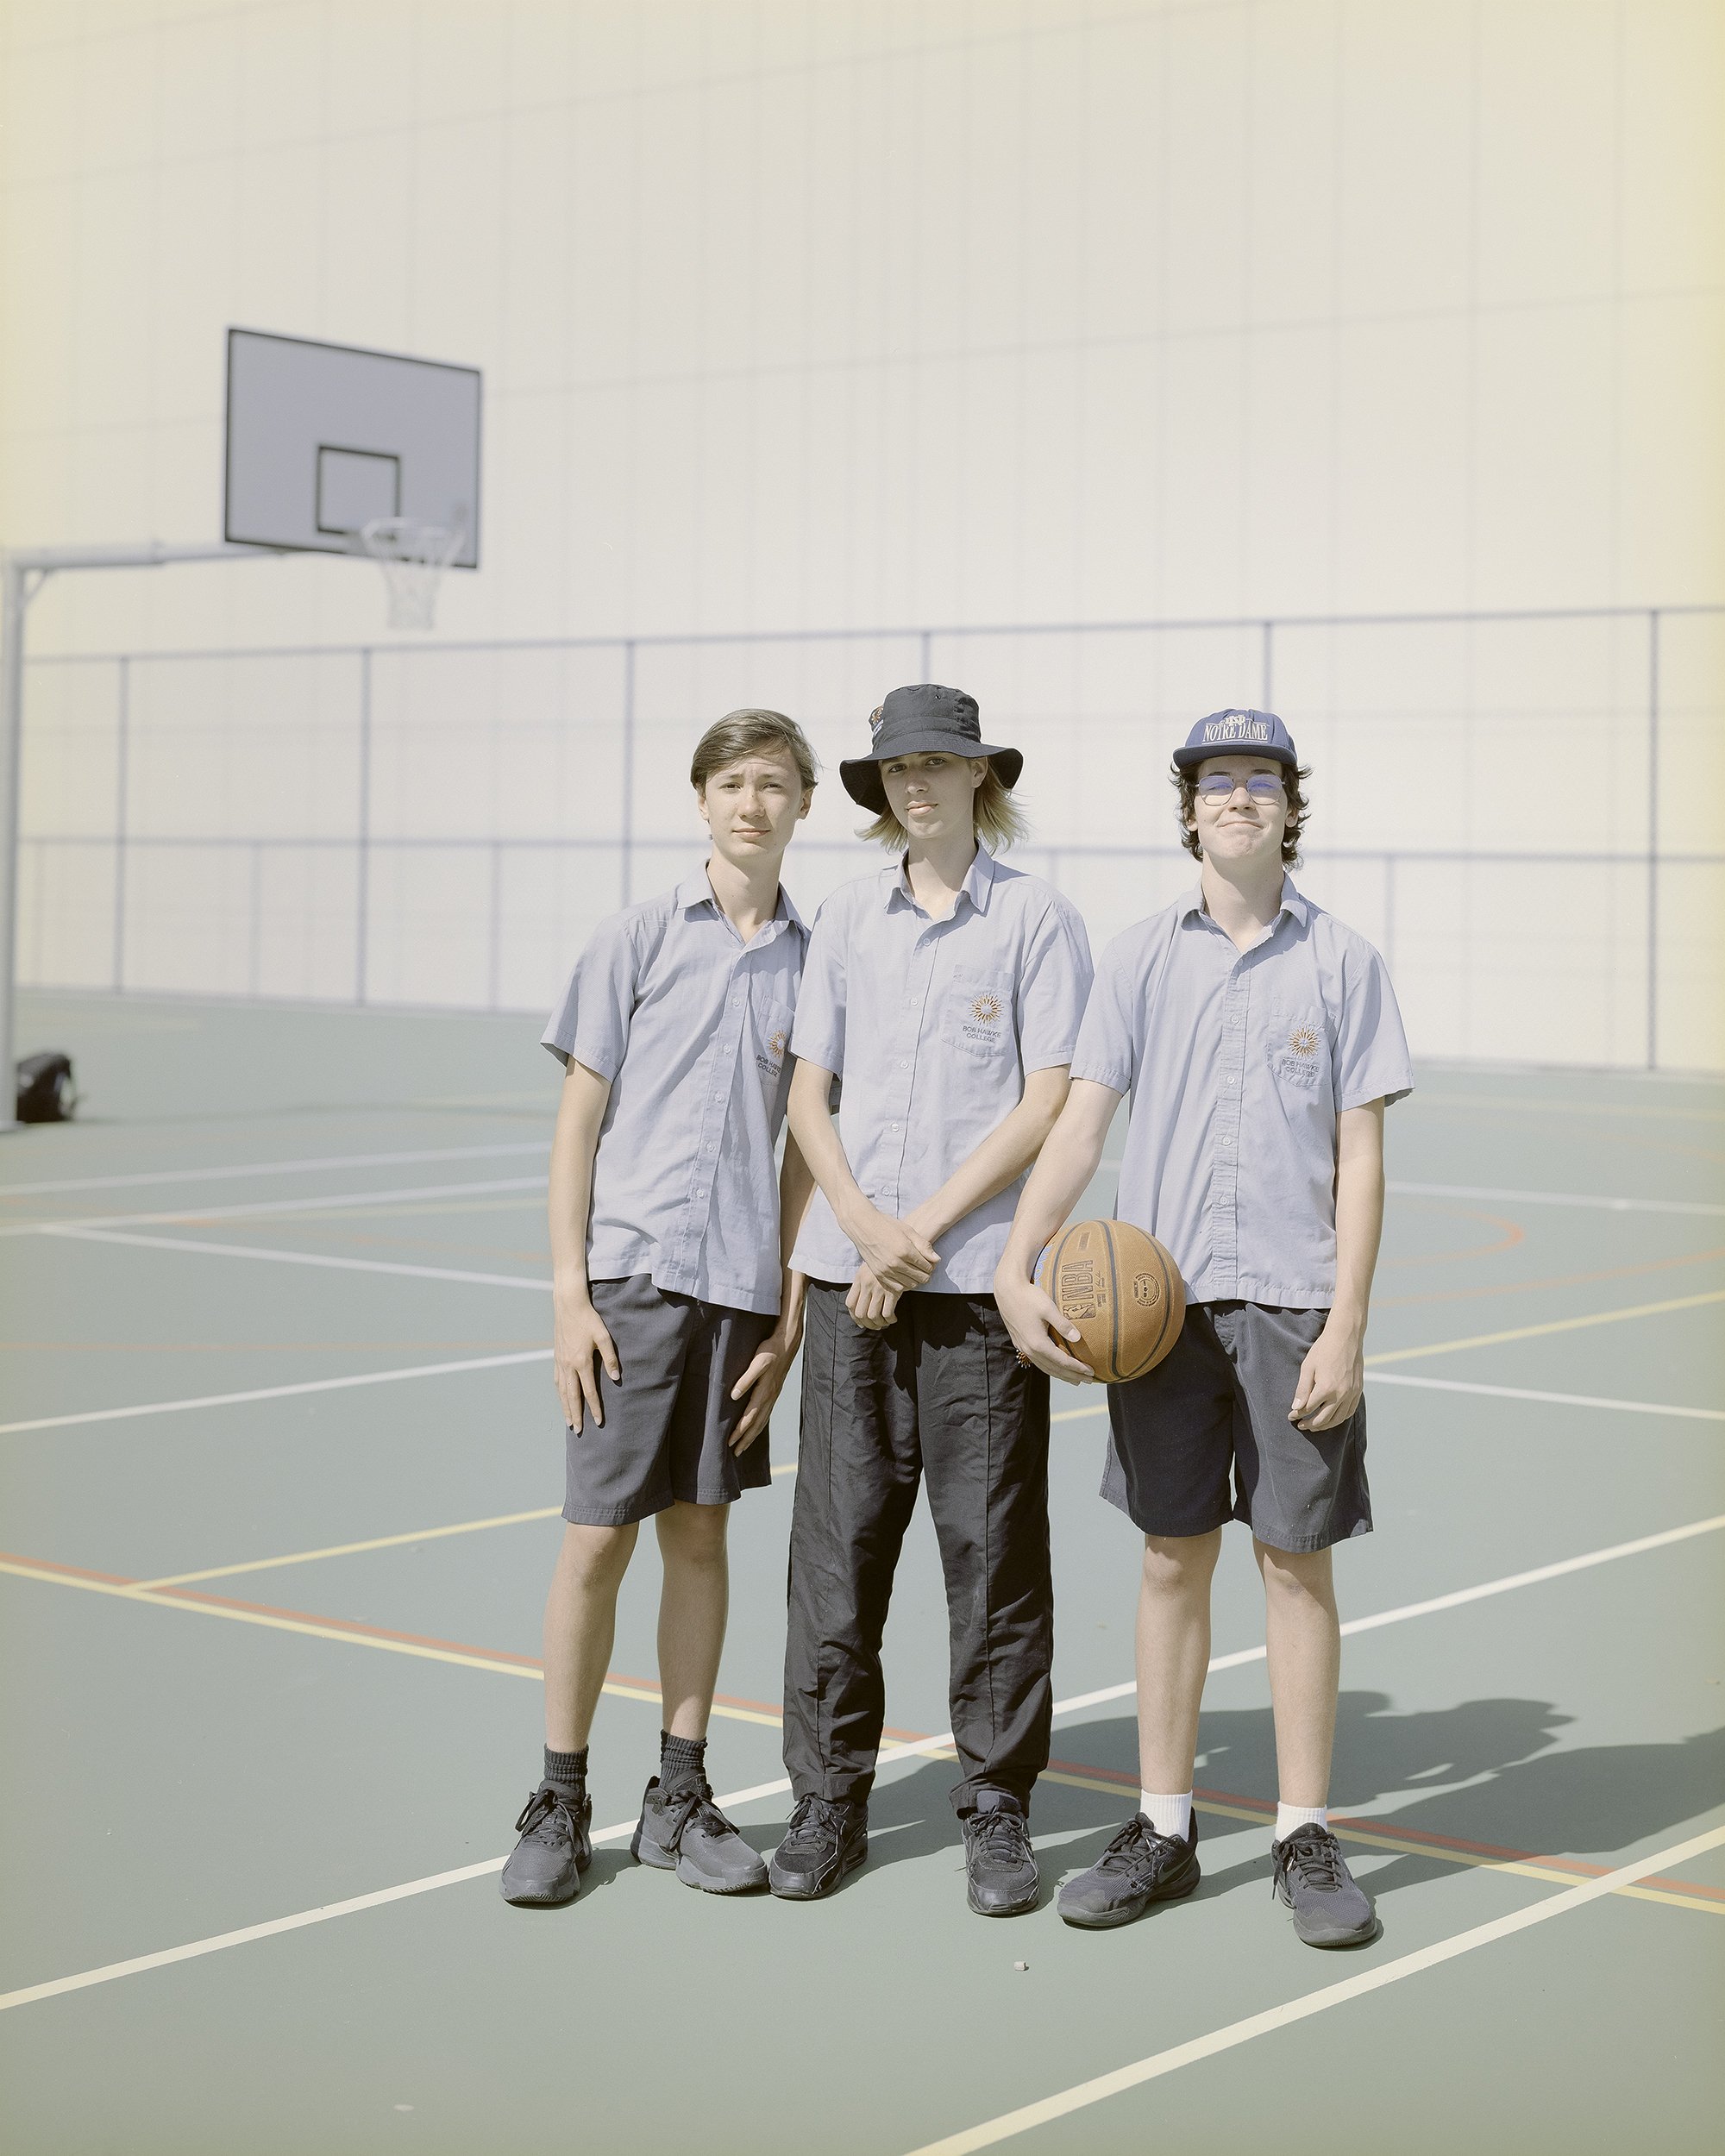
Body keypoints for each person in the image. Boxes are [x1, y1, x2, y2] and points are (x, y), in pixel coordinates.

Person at [994, 707, 1413, 1947]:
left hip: (1291, 1303)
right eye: (1218, 782)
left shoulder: (1344, 962)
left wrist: (1346, 1325)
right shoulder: (1134, 959)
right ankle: (1165, 1827)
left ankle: (1303, 1832)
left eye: (1262, 782)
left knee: (1296, 1562)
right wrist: (1019, 1264)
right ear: (1188, 809)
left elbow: (1362, 1154)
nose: (1239, 799)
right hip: (1159, 1307)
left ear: (1291, 808)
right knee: (1173, 1559)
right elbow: (1080, 1124)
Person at [768, 684, 1093, 1916]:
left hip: (970, 1292)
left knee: (994, 1552)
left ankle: (999, 1807)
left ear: (979, 780)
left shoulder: (1038, 920)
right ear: (880, 788)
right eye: (896, 768)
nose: (916, 784)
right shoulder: (848, 918)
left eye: (938, 766)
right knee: (836, 1557)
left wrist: (927, 1232)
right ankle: (827, 1799)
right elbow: (810, 1091)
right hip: (852, 1278)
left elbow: (1047, 1095)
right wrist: (858, 1225)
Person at [500, 708, 818, 1908]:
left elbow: (804, 1152)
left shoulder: (813, 961)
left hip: (739, 1290)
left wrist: (788, 1313)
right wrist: (570, 1295)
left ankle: (678, 1796)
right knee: (595, 1541)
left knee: (701, 1535)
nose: (753, 803)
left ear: (800, 806)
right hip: (630, 1284)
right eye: (733, 783)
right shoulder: (635, 938)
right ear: (702, 801)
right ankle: (559, 1794)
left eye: (775, 784)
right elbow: (577, 1124)